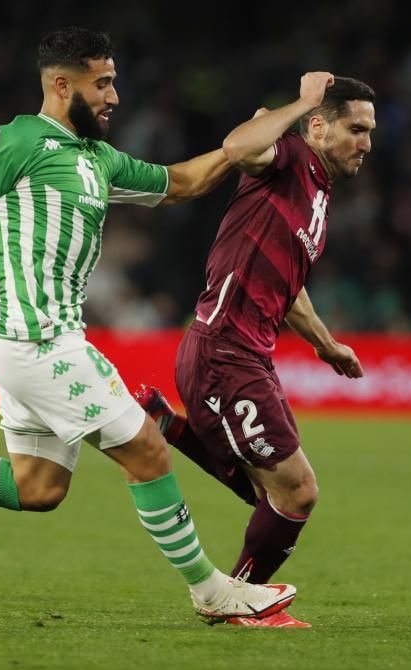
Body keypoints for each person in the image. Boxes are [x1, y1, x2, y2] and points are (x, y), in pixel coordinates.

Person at [0, 27, 295, 624]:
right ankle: (214, 593)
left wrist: (243, 145)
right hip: (36, 339)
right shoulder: (13, 142)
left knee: (38, 488)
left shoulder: (100, 159)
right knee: (147, 450)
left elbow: (183, 182)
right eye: (103, 83)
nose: (114, 97)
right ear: (62, 85)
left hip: (39, 341)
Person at [136, 72, 374, 627]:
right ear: (319, 127)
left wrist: (327, 345)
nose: (367, 143)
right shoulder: (287, 156)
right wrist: (304, 101)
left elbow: (287, 291)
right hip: (224, 353)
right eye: (356, 129)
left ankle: (170, 427)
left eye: (370, 132)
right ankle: (236, 600)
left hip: (245, 356)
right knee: (297, 491)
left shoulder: (315, 191)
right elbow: (237, 147)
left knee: (277, 492)